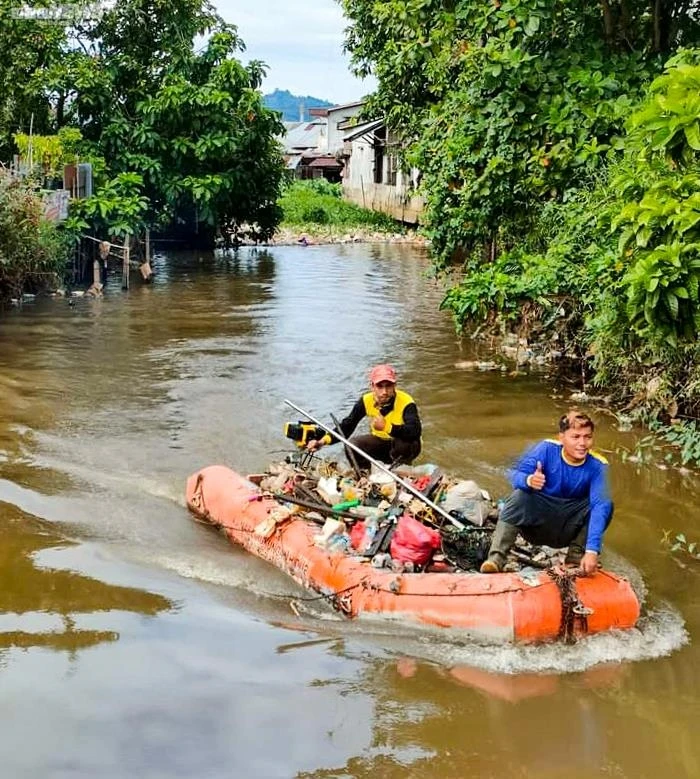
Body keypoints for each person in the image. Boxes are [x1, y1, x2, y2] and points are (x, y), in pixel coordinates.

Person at [480, 410, 613, 576]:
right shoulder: (546, 449)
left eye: (588, 437)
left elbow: (601, 506)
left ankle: (575, 558)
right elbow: (513, 473)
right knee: (520, 495)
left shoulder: (598, 465)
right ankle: (496, 559)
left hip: (567, 527)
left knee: (604, 505)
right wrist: (528, 480)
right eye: (576, 437)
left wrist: (592, 550)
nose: (583, 443)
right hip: (537, 526)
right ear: (561, 437)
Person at [307, 364, 422, 468]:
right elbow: (347, 426)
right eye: (380, 386)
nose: (385, 392)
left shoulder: (406, 401)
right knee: (352, 445)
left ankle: (402, 472)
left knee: (404, 444)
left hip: (403, 446)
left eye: (389, 386)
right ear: (372, 386)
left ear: (394, 385)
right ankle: (365, 475)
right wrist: (322, 442)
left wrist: (387, 427)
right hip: (380, 442)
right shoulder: (366, 400)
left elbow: (415, 431)